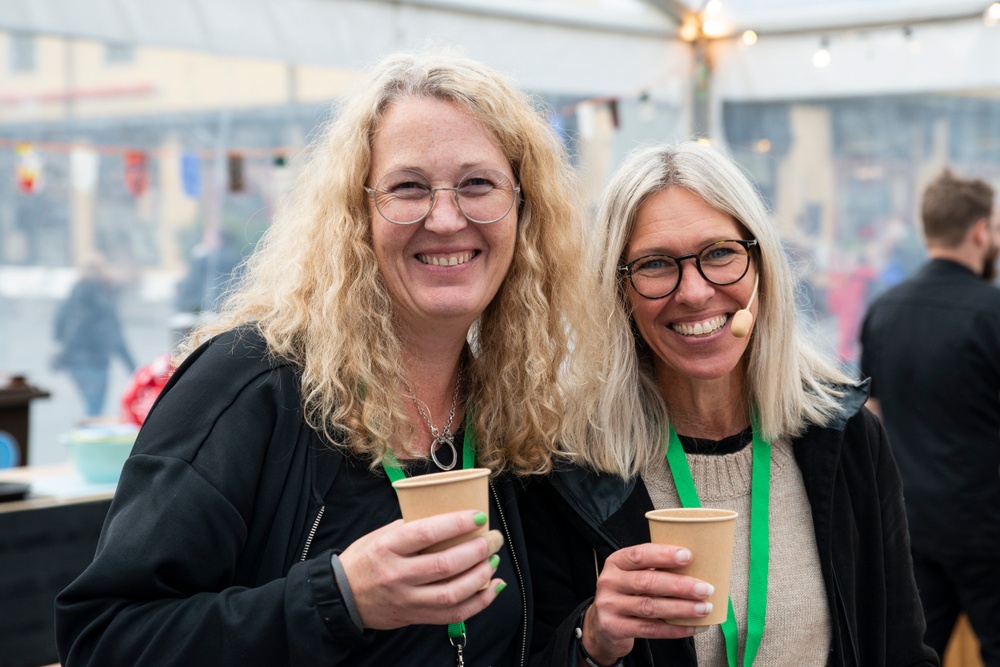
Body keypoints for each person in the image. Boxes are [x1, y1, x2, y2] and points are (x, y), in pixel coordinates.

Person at [56, 49, 598, 666]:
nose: (446, 218)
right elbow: (102, 639)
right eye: (408, 187)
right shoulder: (248, 386)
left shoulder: (511, 411)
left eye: (478, 184)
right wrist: (338, 599)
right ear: (356, 215)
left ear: (523, 211)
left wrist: (591, 643)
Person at [519, 142, 938, 666]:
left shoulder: (843, 435)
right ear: (618, 289)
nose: (694, 293)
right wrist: (592, 641)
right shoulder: (569, 466)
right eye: (655, 264)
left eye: (719, 253)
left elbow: (900, 649)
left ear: (760, 264)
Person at [860, 168, 1000, 665]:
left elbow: (871, 418)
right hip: (988, 531)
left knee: (913, 654)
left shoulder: (883, 310)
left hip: (912, 527)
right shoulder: (993, 311)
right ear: (981, 231)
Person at [52, 255, 137, 417]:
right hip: (97, 362)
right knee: (95, 410)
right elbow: (114, 334)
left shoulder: (74, 293)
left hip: (76, 362)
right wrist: (133, 368)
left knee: (92, 408)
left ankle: (82, 436)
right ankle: (84, 437)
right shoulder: (103, 299)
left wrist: (61, 349)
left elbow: (58, 325)